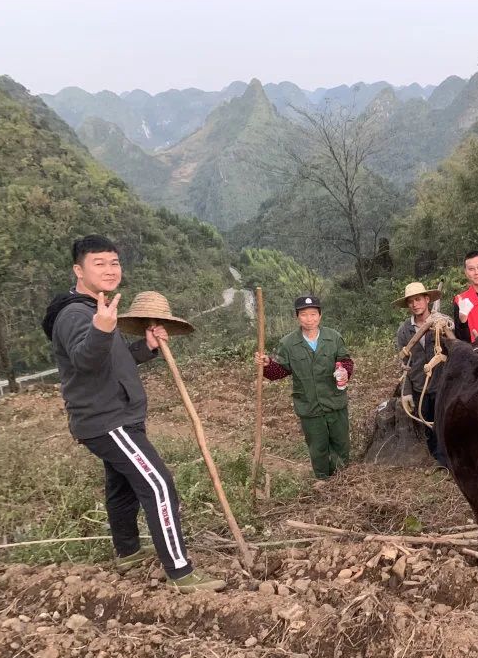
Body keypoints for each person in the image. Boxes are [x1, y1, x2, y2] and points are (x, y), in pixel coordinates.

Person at [41, 235, 225, 592]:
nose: (110, 270)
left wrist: (146, 347)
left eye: (114, 263)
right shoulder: (75, 314)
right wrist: (101, 329)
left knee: (122, 486)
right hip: (108, 420)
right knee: (158, 484)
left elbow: (114, 360)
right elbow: (85, 360)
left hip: (114, 417)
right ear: (78, 270)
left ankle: (126, 552)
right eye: (99, 263)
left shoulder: (95, 307)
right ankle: (181, 572)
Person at [257, 295, 353, 480]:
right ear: (297, 317)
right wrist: (267, 364)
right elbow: (279, 372)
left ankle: (343, 480)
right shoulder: (288, 343)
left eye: (313, 314)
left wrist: (345, 372)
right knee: (318, 448)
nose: (309, 319)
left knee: (341, 444)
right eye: (304, 315)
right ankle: (324, 482)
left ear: (320, 315)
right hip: (309, 406)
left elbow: (346, 362)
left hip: (334, 401)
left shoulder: (333, 338)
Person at [394, 281, 450, 467]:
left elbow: (455, 344)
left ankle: (448, 459)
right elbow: (405, 364)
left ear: (427, 300)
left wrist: (445, 326)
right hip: (420, 386)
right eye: (411, 301)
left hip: (443, 383)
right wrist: (407, 391)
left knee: (445, 422)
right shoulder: (404, 330)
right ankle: (437, 458)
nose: (415, 304)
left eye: (418, 299)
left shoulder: (442, 321)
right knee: (427, 423)